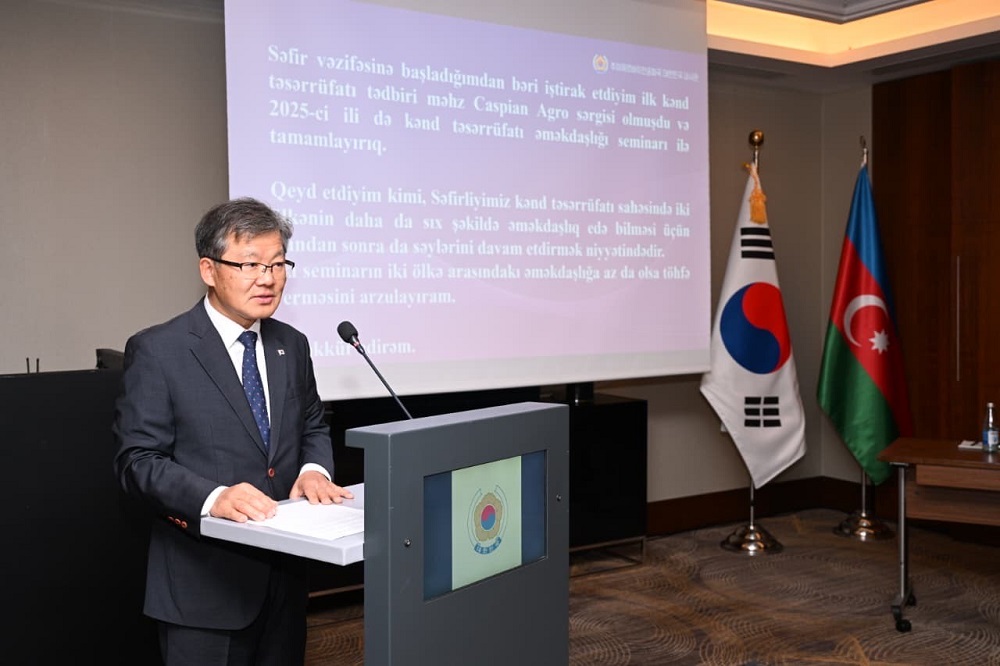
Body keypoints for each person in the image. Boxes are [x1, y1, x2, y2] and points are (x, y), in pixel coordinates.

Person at [113, 197, 353, 665]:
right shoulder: (159, 350)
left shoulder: (291, 344)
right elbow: (136, 462)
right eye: (250, 264)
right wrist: (213, 497)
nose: (267, 278)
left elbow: (311, 422)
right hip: (204, 590)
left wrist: (313, 470)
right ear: (209, 269)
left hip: (285, 586)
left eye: (278, 264)